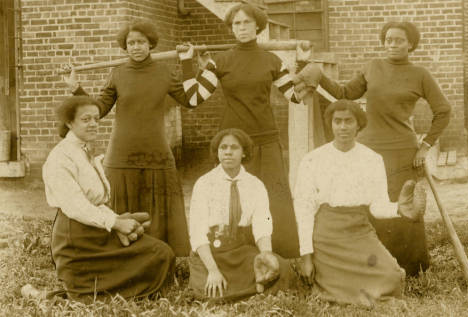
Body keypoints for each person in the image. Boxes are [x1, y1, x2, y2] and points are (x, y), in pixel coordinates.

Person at [294, 21, 451, 275]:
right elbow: (345, 93)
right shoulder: (372, 68)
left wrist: (425, 146)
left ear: (410, 44)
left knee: (402, 207)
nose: (392, 44)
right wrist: (319, 75)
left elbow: (443, 111)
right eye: (388, 39)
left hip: (403, 153)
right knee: (372, 206)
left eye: (399, 40)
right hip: (368, 150)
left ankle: (411, 268)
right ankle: (375, 264)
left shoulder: (420, 74)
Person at [177, 3, 310, 258]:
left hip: (266, 138)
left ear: (258, 26)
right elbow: (194, 97)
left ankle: (279, 256)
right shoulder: (221, 60)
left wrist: (302, 62)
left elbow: (295, 96)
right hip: (233, 141)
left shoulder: (272, 60)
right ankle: (233, 254)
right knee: (230, 198)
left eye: (247, 22)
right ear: (231, 28)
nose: (242, 28)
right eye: (236, 23)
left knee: (274, 199)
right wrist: (187, 63)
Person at [63, 21, 191, 256]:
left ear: (151, 44)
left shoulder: (165, 72)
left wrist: (189, 62)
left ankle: (160, 256)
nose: (136, 47)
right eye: (131, 43)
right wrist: (76, 89)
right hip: (121, 153)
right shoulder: (118, 74)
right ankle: (121, 258)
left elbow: (190, 99)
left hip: (157, 152)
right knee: (120, 210)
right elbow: (98, 109)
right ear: (125, 46)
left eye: (141, 42)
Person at [42, 95, 177, 301]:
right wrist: (116, 224)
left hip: (96, 230)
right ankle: (85, 288)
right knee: (159, 254)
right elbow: (76, 206)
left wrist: (119, 220)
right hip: (76, 241)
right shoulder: (60, 157)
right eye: (86, 119)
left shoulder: (85, 152)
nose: (94, 124)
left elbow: (97, 201)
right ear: (69, 122)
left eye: (96, 119)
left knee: (161, 252)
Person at [293, 100, 424, 307]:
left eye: (348, 121)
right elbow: (304, 210)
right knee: (325, 281)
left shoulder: (372, 159)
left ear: (358, 124)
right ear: (330, 124)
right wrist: (306, 256)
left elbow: (377, 206)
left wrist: (398, 209)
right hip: (327, 236)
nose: (343, 127)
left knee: (392, 276)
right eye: (337, 121)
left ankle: (347, 291)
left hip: (359, 232)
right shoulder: (313, 159)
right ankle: (338, 289)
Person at [188, 128, 293, 301]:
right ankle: (246, 288)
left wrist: (265, 257)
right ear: (217, 152)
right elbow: (197, 231)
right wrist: (213, 270)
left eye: (234, 147)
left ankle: (248, 286)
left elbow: (262, 226)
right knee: (210, 290)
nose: (228, 152)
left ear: (244, 152)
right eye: (223, 147)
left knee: (282, 267)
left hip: (240, 251)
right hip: (212, 253)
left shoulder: (255, 184)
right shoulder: (204, 183)